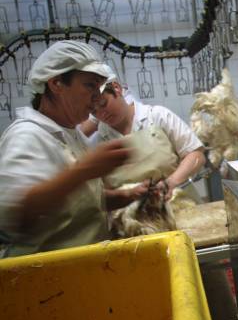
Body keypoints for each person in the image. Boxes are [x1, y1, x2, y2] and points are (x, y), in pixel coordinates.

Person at [0, 41, 146, 258]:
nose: (97, 96)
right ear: (56, 83)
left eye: (99, 87)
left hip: (81, 269)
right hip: (44, 278)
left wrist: (126, 196)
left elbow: (78, 203)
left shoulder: (72, 135)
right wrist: (84, 171)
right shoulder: (27, 136)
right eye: (89, 85)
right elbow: (15, 215)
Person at [89, 65, 205, 200]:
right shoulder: (100, 142)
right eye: (93, 111)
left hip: (182, 205)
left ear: (116, 88)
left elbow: (196, 154)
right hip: (134, 218)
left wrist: (171, 182)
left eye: (103, 104)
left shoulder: (157, 116)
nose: (101, 113)